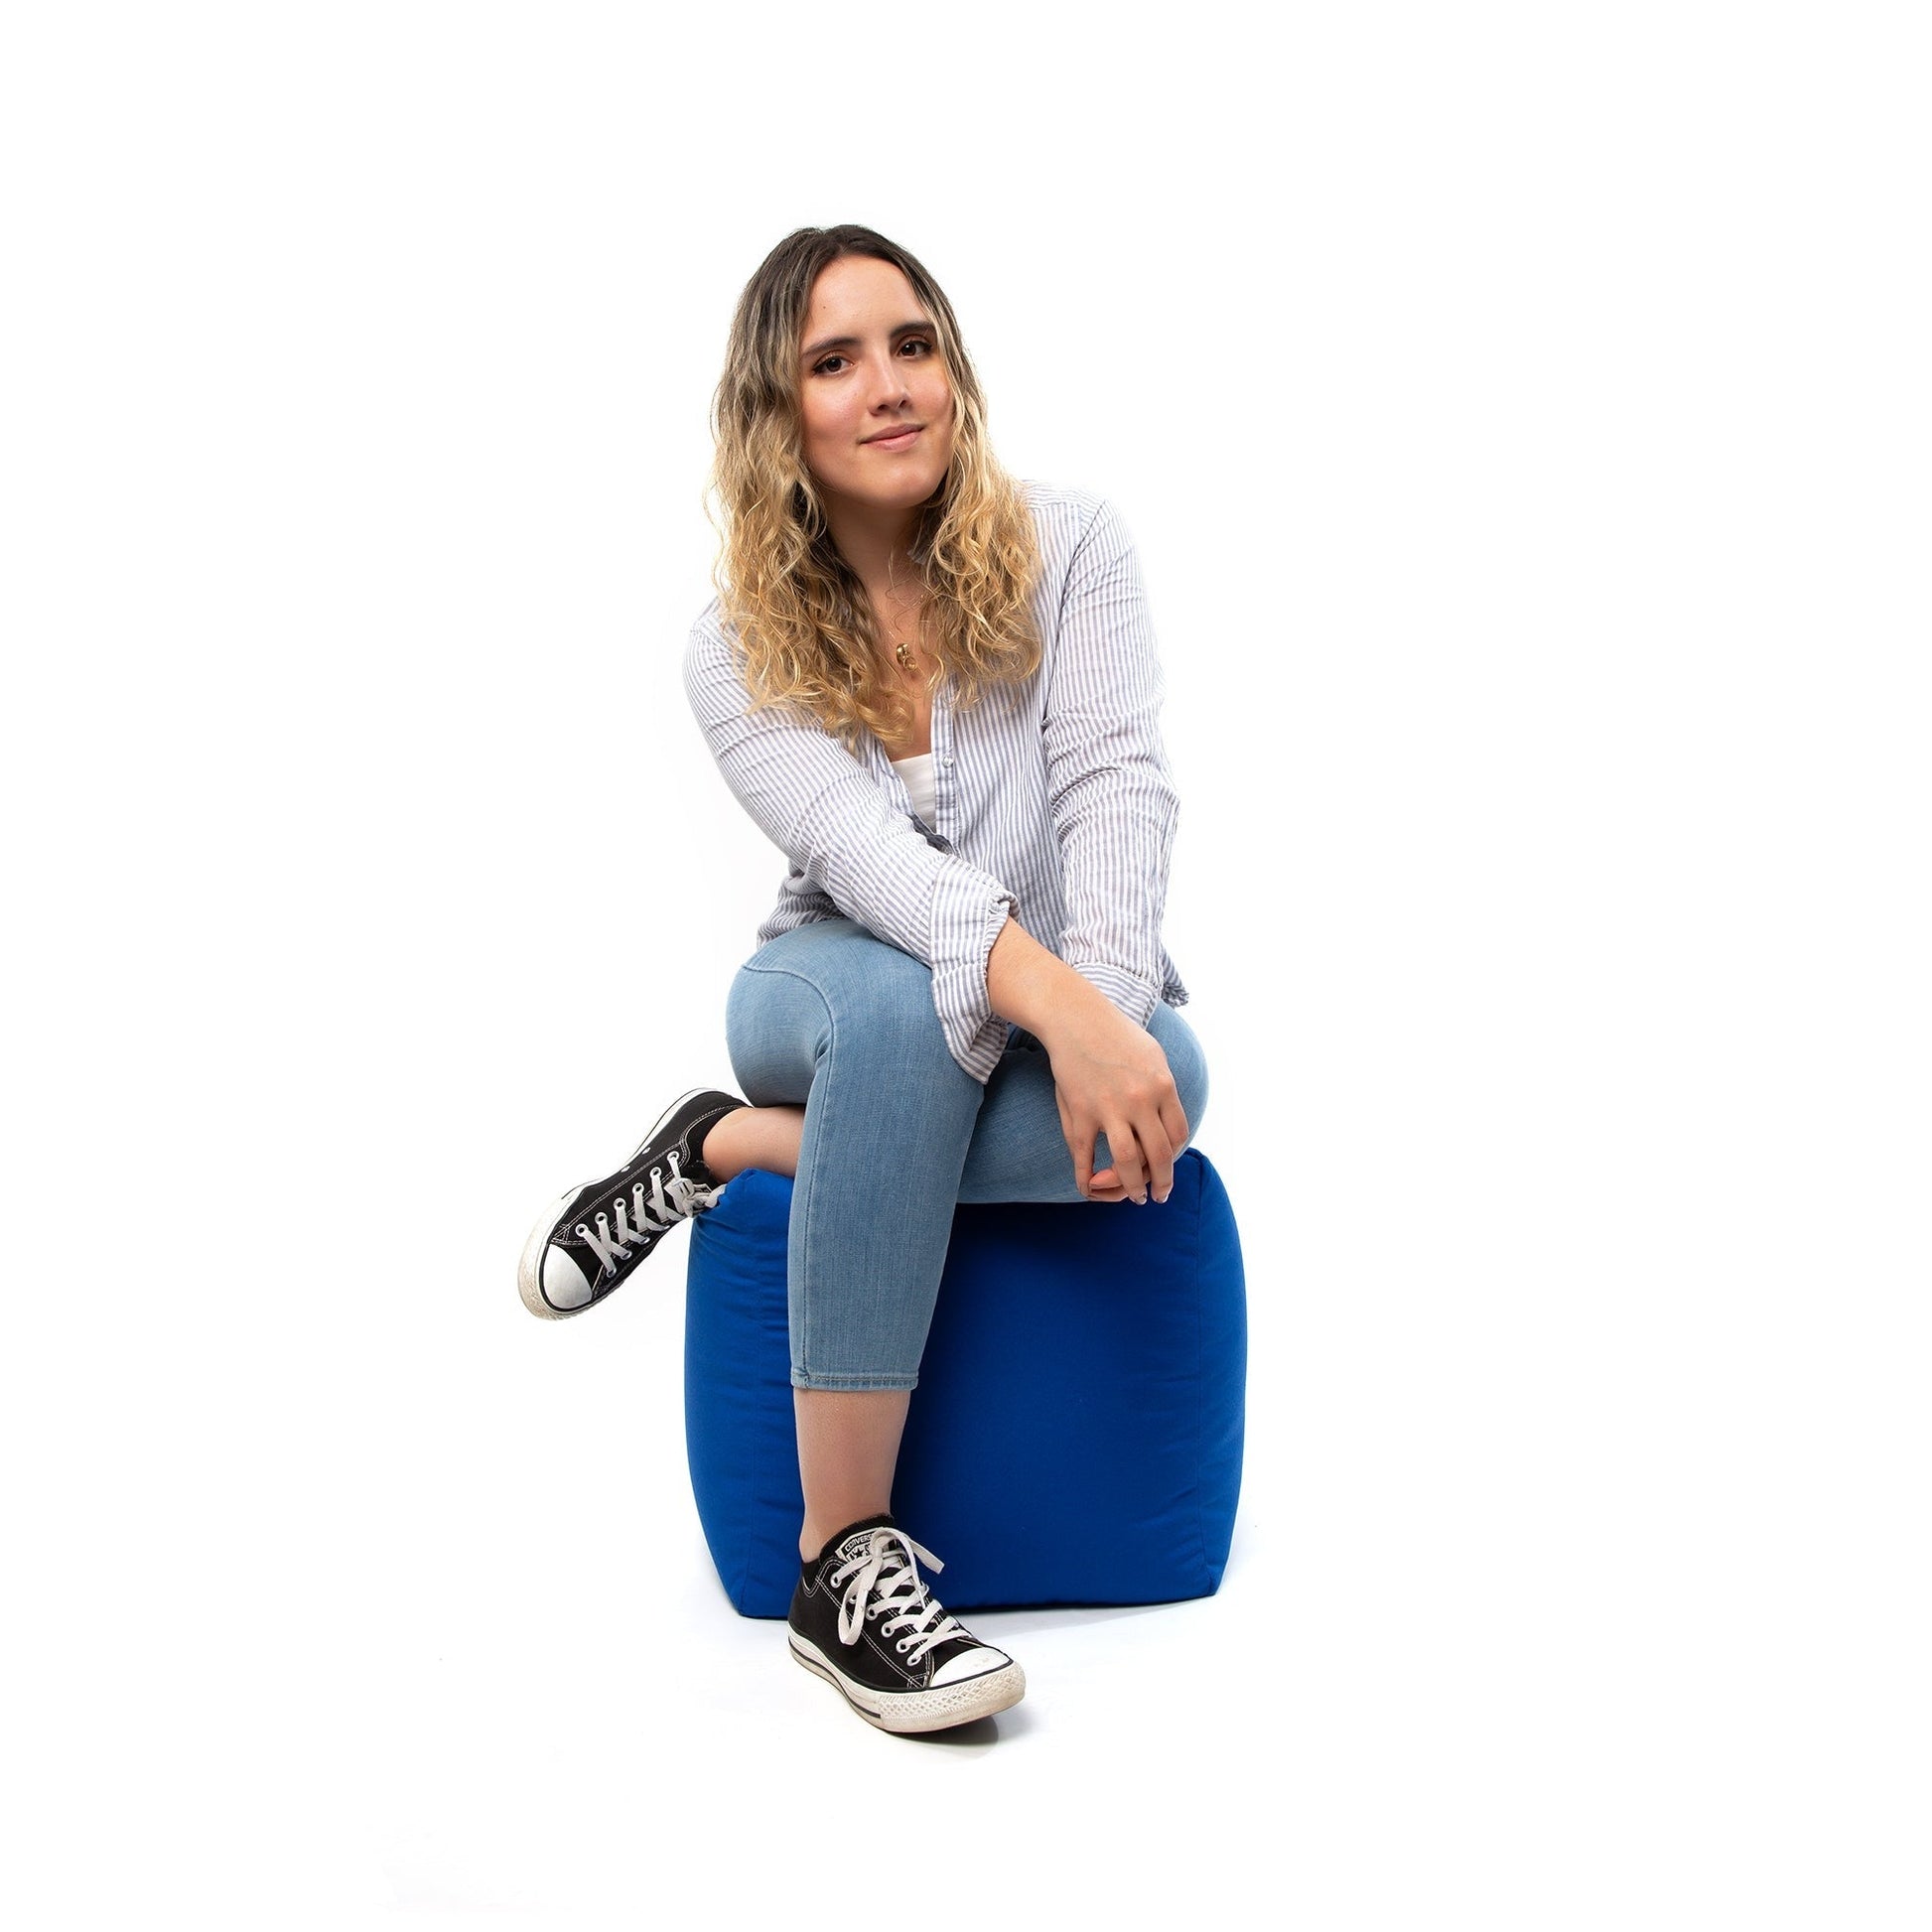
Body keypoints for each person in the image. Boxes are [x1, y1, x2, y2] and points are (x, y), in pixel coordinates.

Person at [516, 223, 1208, 1735]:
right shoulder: (732, 648)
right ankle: (842, 1565)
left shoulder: (1075, 547)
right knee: (902, 1013)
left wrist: (1105, 1015)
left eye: (912, 344)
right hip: (827, 987)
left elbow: (1117, 788)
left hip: (1037, 988)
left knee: (1173, 1085)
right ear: (780, 415)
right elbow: (885, 875)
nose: (888, 385)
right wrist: (1067, 1019)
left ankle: (720, 1147)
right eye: (834, 361)